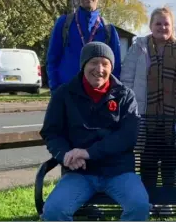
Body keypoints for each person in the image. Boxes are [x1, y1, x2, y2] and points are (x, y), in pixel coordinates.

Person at [40, 42, 150, 221]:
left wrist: (88, 153)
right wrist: (65, 155)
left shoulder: (125, 95)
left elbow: (128, 136)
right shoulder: (64, 94)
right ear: (84, 64)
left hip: (118, 171)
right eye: (93, 62)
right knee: (53, 211)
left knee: (139, 206)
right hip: (80, 174)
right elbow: (52, 132)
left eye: (105, 64)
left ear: (111, 68)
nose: (99, 69)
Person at [120, 6, 176, 213]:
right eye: (158, 23)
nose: (162, 27)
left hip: (174, 117)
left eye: (166, 24)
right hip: (146, 115)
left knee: (171, 162)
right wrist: (131, 107)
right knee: (148, 161)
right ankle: (150, 200)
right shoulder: (139, 47)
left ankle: (167, 202)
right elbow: (126, 79)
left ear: (172, 27)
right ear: (150, 25)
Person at [46, 0, 121, 93]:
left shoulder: (108, 30)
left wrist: (110, 94)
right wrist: (56, 90)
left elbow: (115, 68)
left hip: (98, 97)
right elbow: (52, 60)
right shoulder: (64, 23)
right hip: (68, 94)